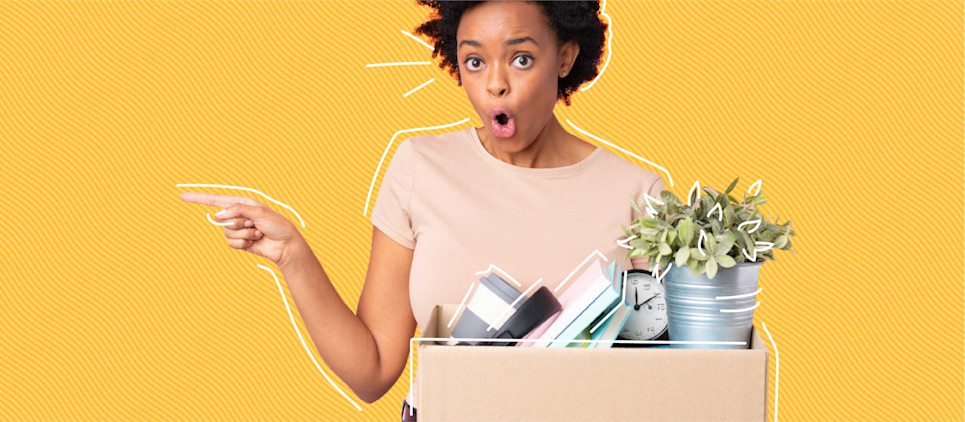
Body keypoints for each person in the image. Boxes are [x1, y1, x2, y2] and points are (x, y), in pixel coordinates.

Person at [179, 1, 665, 421]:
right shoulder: (421, 168)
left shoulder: (639, 194)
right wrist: (292, 256)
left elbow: (674, 377)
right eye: (474, 62)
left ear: (564, 57)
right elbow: (371, 371)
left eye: (521, 58)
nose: (494, 85)